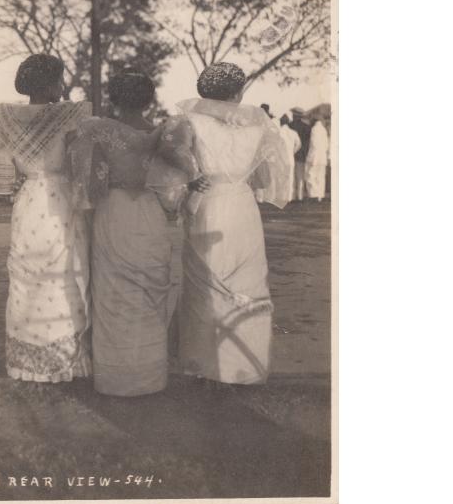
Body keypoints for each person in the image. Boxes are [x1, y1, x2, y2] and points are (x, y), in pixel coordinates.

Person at [68, 71, 205, 396]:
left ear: (113, 98)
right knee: (148, 290)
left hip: (113, 212)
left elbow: (84, 180)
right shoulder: (165, 134)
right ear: (148, 99)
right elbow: (178, 182)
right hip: (150, 212)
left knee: (112, 290)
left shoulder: (95, 129)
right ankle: (149, 377)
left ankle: (115, 378)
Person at [152, 62, 291, 385]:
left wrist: (195, 174)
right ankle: (244, 366)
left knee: (204, 282)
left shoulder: (190, 121)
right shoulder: (257, 124)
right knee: (247, 279)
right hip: (242, 206)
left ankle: (201, 363)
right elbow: (264, 178)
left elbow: (168, 150)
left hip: (209, 203)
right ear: (237, 92)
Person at [0, 54, 92, 382]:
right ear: (48, 83)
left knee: (28, 275)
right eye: (59, 80)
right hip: (59, 199)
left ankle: (27, 362)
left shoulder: (8, 117)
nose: (62, 86)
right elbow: (78, 159)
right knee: (63, 273)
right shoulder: (69, 114)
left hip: (28, 200)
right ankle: (65, 361)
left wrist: (15, 174)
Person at [305, 117, 330, 202]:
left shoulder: (314, 129)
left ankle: (313, 195)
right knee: (320, 177)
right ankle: (320, 195)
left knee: (311, 176)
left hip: (314, 157)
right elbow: (326, 145)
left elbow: (314, 143)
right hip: (322, 157)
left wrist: (312, 157)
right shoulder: (324, 130)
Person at [279, 113, 302, 203]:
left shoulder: (278, 132)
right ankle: (289, 197)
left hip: (281, 159)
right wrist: (293, 152)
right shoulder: (293, 132)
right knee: (290, 178)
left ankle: (282, 197)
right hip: (290, 158)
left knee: (281, 178)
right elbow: (299, 144)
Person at [290, 111, 312, 200]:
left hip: (291, 153)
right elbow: (307, 143)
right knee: (300, 177)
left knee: (292, 176)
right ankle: (300, 196)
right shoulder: (307, 127)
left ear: (294, 115)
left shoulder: (290, 125)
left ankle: (292, 195)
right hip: (301, 155)